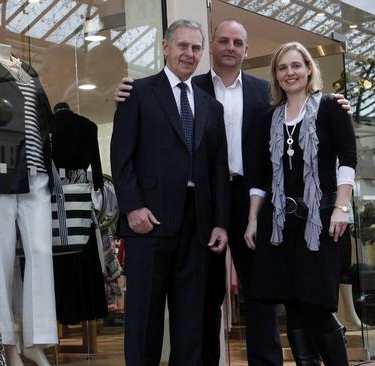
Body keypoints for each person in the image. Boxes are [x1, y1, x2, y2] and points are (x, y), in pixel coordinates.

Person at [114, 19, 352, 366]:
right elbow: (127, 151)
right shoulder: (182, 87)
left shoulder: (264, 93)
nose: (229, 47)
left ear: (245, 49)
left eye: (237, 42)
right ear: (170, 48)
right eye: (221, 41)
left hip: (253, 200)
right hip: (199, 204)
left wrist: (335, 104)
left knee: (262, 292)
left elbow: (303, 114)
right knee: (201, 301)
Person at [110, 19, 229, 366]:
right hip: (149, 222)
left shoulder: (211, 107)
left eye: (195, 48)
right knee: (144, 320)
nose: (189, 54)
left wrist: (220, 222)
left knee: (191, 321)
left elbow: (218, 171)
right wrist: (133, 208)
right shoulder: (137, 93)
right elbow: (122, 158)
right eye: (182, 46)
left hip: (198, 226)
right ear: (165, 47)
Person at [244, 41, 356, 366]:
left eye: (296, 65)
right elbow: (260, 176)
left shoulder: (331, 107)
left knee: (316, 305)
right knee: (292, 307)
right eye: (282, 68)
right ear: (276, 76)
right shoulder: (268, 119)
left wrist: (342, 206)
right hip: (279, 224)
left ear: (309, 68)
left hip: (320, 220)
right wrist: (253, 219)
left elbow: (348, 158)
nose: (289, 73)